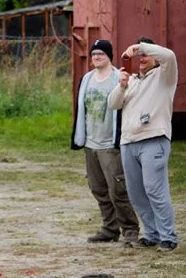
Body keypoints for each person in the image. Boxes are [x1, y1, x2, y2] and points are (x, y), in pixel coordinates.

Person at [107, 38, 179, 252]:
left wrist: (139, 47)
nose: (141, 58)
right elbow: (113, 104)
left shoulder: (164, 76)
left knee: (155, 190)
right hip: (129, 142)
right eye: (138, 56)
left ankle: (168, 236)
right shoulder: (131, 80)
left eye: (145, 55)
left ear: (154, 57)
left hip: (153, 140)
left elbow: (169, 56)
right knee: (136, 193)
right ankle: (151, 233)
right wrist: (121, 86)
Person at [71, 39, 139, 246]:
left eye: (101, 53)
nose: (96, 57)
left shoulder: (120, 78)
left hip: (110, 144)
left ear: (109, 56)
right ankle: (109, 229)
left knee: (118, 190)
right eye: (94, 54)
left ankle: (130, 230)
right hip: (90, 143)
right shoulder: (87, 79)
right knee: (98, 189)